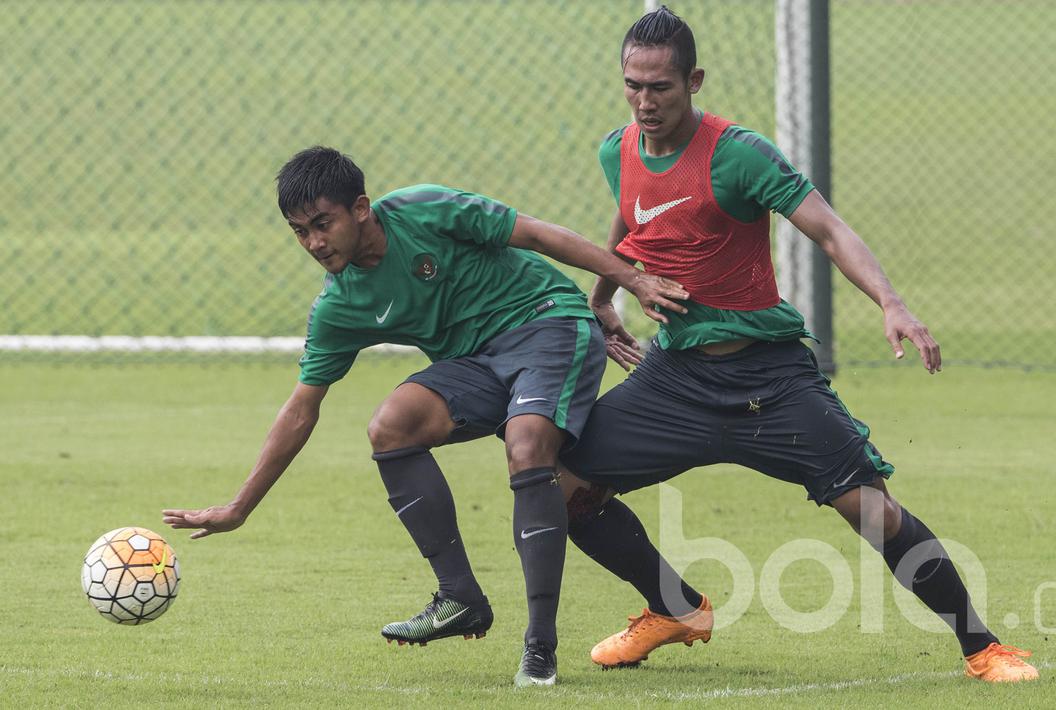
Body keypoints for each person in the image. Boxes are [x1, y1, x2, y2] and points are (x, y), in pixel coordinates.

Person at [556, 6, 1039, 683]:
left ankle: (981, 647)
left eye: (659, 86)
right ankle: (673, 608)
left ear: (692, 81)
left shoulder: (738, 155)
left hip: (768, 381)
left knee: (869, 509)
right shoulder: (619, 148)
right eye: (631, 85)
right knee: (559, 482)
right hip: (675, 381)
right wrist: (606, 295)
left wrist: (892, 303)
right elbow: (630, 213)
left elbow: (831, 231)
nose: (643, 101)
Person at [162, 145, 688, 687]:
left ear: (361, 208)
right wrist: (239, 507)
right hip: (476, 365)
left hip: (547, 321)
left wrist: (632, 281)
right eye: (300, 232)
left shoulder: (423, 210)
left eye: (323, 224)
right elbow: (301, 409)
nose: (315, 243)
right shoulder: (339, 305)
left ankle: (539, 647)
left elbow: (534, 234)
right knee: (390, 426)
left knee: (529, 450)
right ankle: (460, 596)